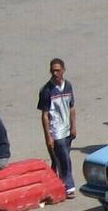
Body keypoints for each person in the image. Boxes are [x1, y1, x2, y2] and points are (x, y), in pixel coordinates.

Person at [38, 59, 76, 194]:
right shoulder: (46, 90)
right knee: (64, 159)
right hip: (56, 132)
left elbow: (72, 107)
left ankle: (52, 185)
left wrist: (73, 126)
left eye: (58, 70)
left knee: (57, 160)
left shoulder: (68, 86)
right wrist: (48, 136)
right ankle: (69, 186)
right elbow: (44, 115)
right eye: (53, 70)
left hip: (67, 130)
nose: (55, 73)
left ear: (63, 70)